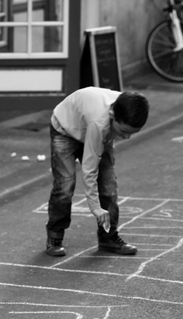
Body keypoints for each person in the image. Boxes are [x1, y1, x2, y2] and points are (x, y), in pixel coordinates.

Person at [45, 87, 149, 257]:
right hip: (65, 129)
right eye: (123, 132)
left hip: (96, 128)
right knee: (65, 185)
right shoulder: (99, 123)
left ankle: (108, 238)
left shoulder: (127, 106)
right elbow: (89, 168)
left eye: (132, 133)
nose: (126, 138)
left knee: (108, 187)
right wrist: (95, 207)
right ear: (113, 116)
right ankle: (55, 237)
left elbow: (103, 161)